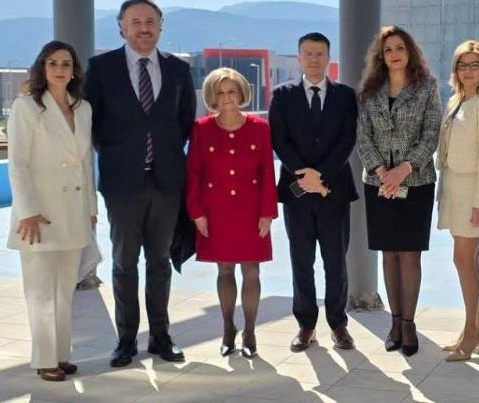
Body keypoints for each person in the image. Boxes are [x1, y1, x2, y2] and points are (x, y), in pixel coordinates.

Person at [84, 0, 197, 367]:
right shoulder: (101, 68)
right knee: (124, 262)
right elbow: (92, 124)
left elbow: (184, 122)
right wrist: (120, 156)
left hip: (166, 182)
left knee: (160, 262)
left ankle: (161, 337)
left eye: (150, 21)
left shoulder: (178, 70)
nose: (143, 28)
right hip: (122, 185)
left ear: (160, 26)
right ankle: (126, 339)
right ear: (121, 27)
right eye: (135, 22)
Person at [7, 41, 97, 381]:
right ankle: (45, 359)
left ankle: (61, 354)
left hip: (73, 212)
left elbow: (85, 163)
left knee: (64, 292)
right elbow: (17, 164)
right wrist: (27, 211)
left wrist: (91, 208)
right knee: (41, 292)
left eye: (66, 63)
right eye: (53, 63)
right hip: (38, 215)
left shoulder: (83, 108)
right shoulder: (27, 107)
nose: (60, 69)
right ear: (42, 68)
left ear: (74, 70)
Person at [269, 32, 358, 352]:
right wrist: (304, 176)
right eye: (308, 53)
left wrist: (321, 177)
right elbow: (279, 140)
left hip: (335, 191)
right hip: (297, 194)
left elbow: (347, 140)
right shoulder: (282, 95)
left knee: (336, 262)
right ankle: (306, 325)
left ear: (328, 57)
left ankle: (338, 325)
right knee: (301, 261)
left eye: (320, 54)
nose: (314, 59)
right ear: (299, 57)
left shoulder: (345, 96)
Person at [356, 26, 441, 357]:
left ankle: (408, 324)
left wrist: (403, 170)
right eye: (388, 49)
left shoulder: (427, 87)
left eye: (400, 48)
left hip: (416, 183)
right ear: (381, 56)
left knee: (409, 254)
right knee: (388, 254)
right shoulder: (369, 90)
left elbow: (431, 134)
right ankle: (393, 323)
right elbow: (362, 136)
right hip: (378, 185)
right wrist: (382, 172)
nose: (394, 54)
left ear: (410, 52)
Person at [186, 68, 278, 358]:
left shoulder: (259, 127)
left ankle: (250, 331)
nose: (226, 98)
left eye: (232, 91)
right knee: (224, 270)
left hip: (251, 211)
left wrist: (267, 213)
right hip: (216, 211)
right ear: (212, 97)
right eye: (220, 93)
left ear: (241, 94)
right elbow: (194, 174)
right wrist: (197, 213)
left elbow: (267, 172)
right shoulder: (201, 128)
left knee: (252, 271)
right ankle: (228, 329)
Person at [435, 40, 479, 361]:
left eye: (475, 65)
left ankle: (472, 331)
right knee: (470, 260)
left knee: (462, 259)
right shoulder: (457, 100)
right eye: (463, 65)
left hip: (474, 190)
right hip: (454, 188)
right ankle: (473, 327)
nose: (468, 71)